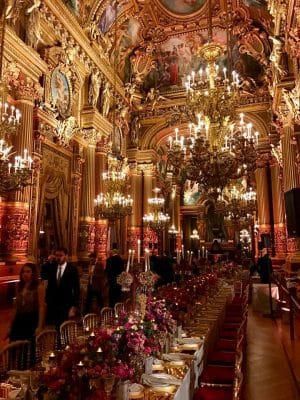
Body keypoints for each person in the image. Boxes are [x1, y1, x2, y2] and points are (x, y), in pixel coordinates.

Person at [7, 263, 45, 364]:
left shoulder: (39, 287)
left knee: (28, 350)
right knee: (14, 348)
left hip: (31, 320)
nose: (25, 274)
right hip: (19, 320)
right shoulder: (19, 286)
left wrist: (40, 326)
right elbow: (15, 308)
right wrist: (10, 326)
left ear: (33, 273)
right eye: (23, 271)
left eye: (28, 271)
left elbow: (41, 307)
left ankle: (26, 372)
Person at [45, 247, 80, 329]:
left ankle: (64, 341)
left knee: (64, 326)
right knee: (55, 326)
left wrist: (74, 306)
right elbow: (44, 275)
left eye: (61, 255)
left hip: (66, 303)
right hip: (53, 303)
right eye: (56, 255)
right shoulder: (52, 267)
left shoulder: (72, 269)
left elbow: (76, 288)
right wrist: (48, 261)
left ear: (66, 256)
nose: (58, 257)